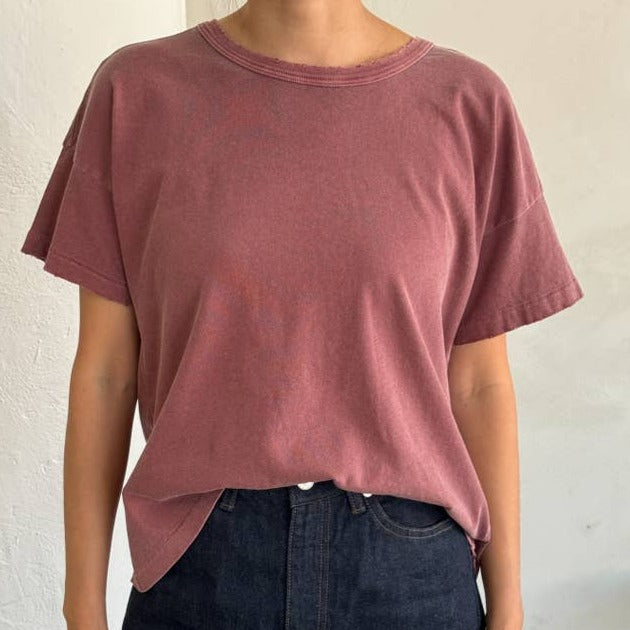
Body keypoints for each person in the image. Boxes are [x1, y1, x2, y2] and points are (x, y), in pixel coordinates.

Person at [20, 1, 585, 629]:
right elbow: (106, 372)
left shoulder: (468, 104)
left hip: (412, 577)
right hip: (204, 568)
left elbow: (478, 381)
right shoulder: (136, 91)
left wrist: (508, 604)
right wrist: (82, 606)